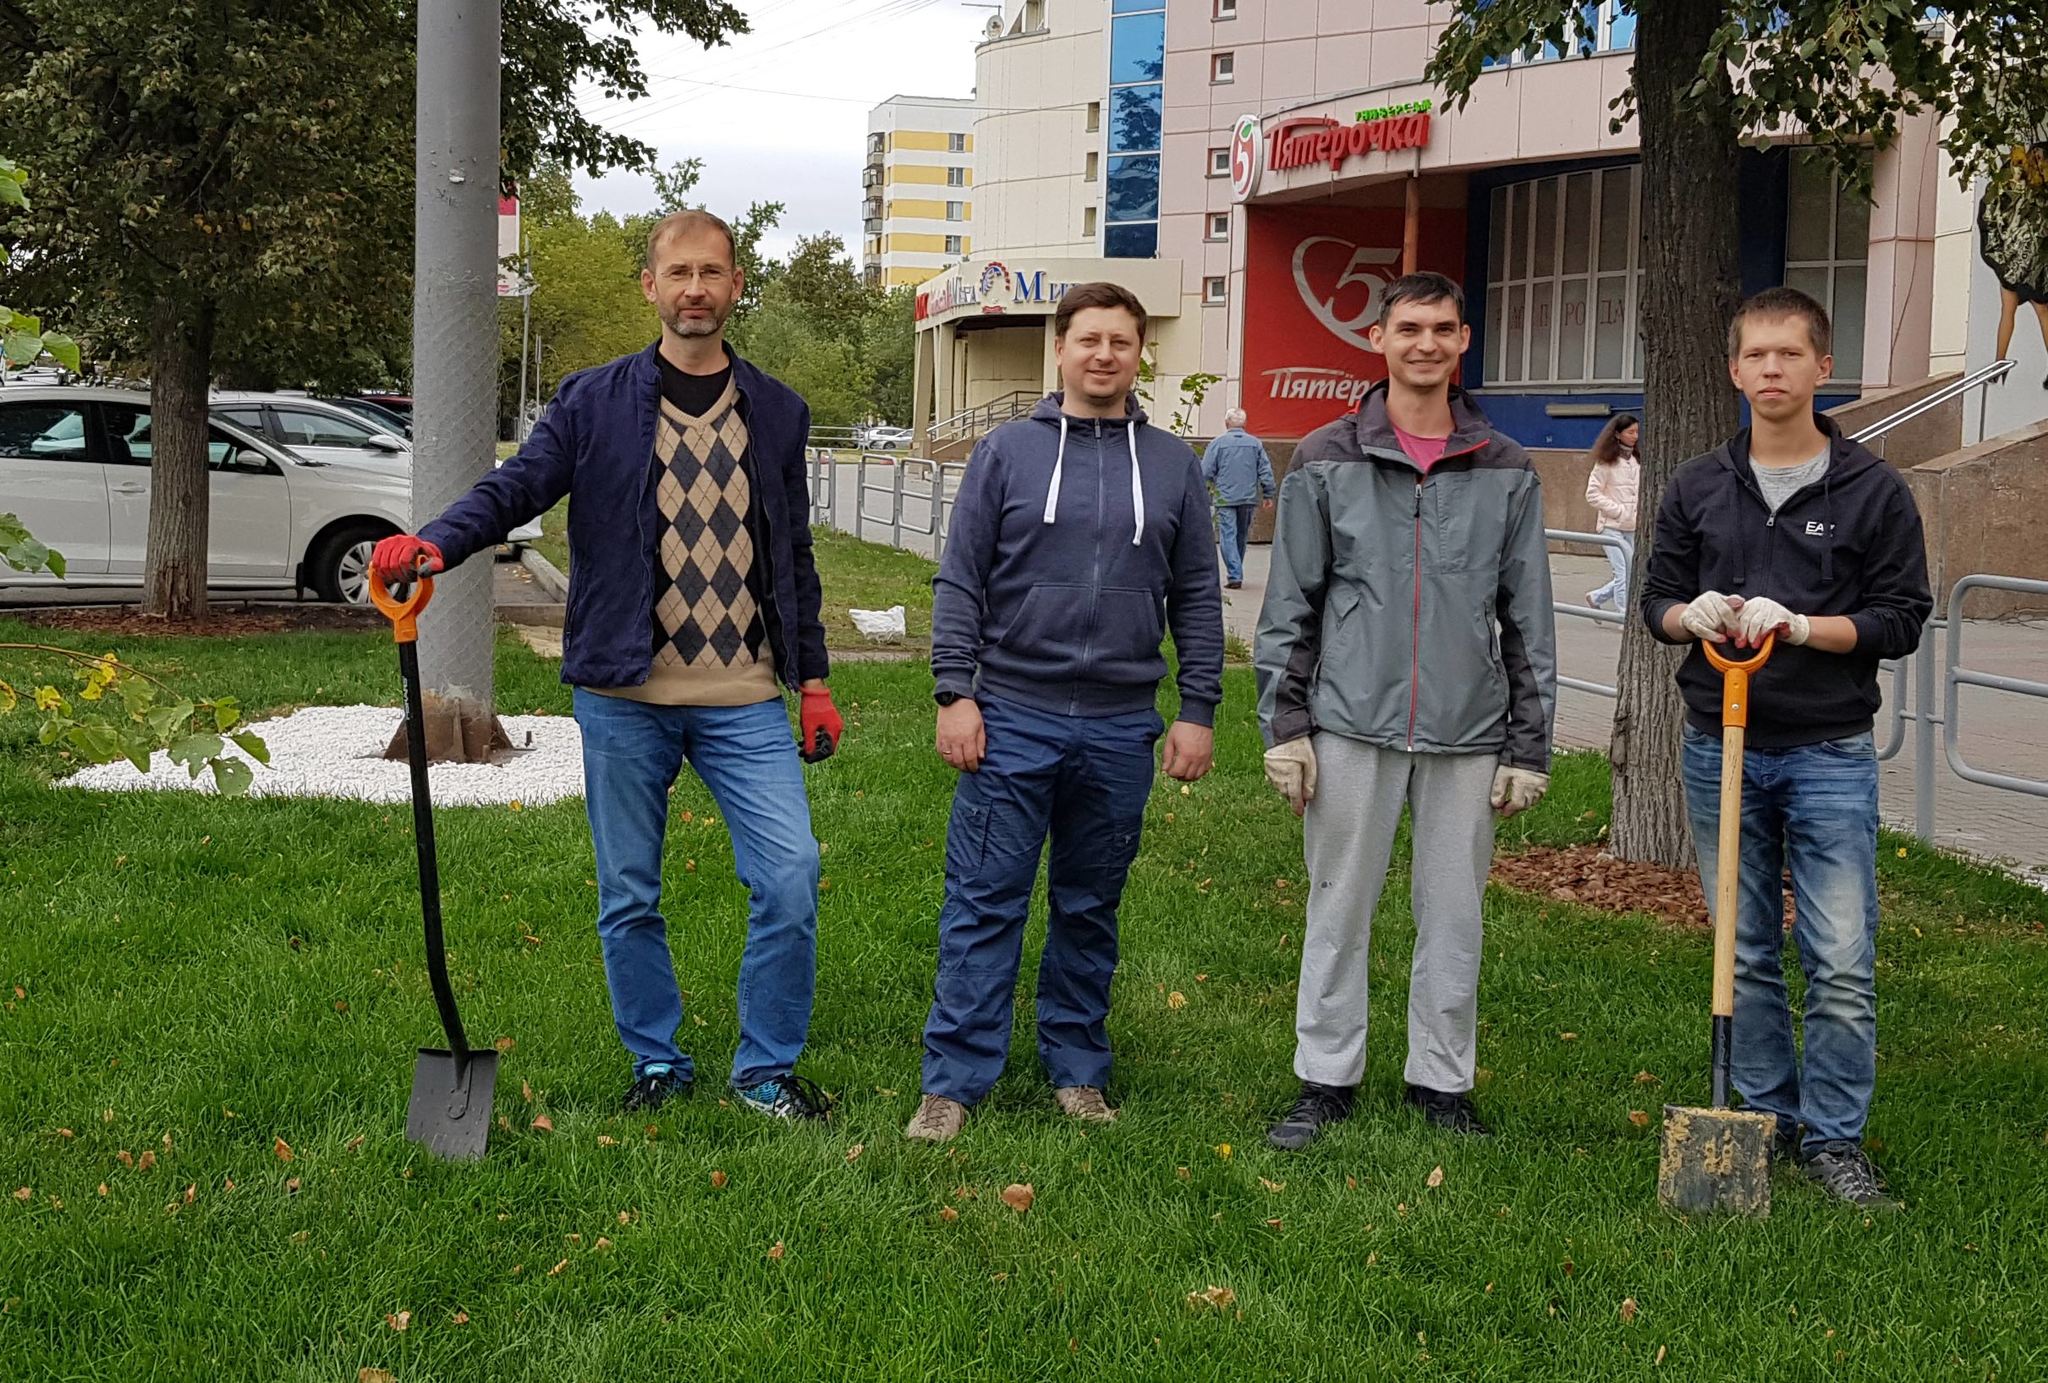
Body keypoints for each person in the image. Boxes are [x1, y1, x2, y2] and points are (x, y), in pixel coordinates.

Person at [368, 209, 844, 1122]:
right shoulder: (593, 400)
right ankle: (657, 1063)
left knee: (790, 873)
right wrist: (435, 543)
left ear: (736, 285)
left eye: (712, 272)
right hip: (624, 694)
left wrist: (813, 679)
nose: (696, 289)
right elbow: (516, 488)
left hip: (744, 696)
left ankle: (765, 1071)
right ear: (651, 287)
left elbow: (796, 556)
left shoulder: (776, 410)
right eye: (679, 273)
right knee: (630, 890)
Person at [903, 281, 1226, 1144]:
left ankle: (1077, 1068)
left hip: (1120, 725)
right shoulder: (1007, 452)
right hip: (1011, 712)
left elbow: (1196, 593)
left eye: (1121, 341)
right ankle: (953, 1082)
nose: (1104, 354)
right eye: (1089, 339)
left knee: (1090, 904)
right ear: (1061, 347)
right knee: (984, 899)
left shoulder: (1171, 465)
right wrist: (955, 692)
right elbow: (961, 578)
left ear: (1138, 353)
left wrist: (1197, 706)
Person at [1641, 285, 1931, 1207]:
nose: (1771, 370)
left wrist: (1805, 627)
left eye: (1788, 354)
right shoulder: (1695, 485)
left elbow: (1902, 618)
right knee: (1745, 943)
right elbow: (1656, 601)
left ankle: (1836, 1139)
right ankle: (1764, 1117)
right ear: (1733, 370)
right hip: (1716, 740)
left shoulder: (1875, 490)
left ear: (1822, 366)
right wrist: (1694, 616)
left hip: (1827, 748)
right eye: (1755, 356)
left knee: (1841, 951)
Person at [1254, 271, 1556, 1150]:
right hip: (1348, 722)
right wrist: (1287, 726)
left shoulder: (1505, 467)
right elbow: (1291, 606)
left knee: (1455, 912)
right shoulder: (1324, 458)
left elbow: (1528, 614)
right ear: (1379, 341)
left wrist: (1527, 746)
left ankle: (1441, 1081)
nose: (1425, 343)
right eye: (1409, 328)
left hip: (1470, 730)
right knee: (1339, 905)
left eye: (1443, 328)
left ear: (1465, 342)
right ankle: (1325, 1077)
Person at [1201, 407, 1278, 589]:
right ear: (1245, 423)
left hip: (1225, 497)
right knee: (1241, 535)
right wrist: (1268, 493)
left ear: (1226, 423)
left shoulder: (1218, 443)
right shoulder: (1255, 444)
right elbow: (1265, 470)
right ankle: (1237, 570)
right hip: (1248, 497)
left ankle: (1235, 574)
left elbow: (1205, 471)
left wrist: (1205, 490)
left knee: (1228, 535)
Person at [1583, 412, 1640, 613]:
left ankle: (1597, 596)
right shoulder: (1606, 462)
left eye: (1637, 432)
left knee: (1632, 573)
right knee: (1623, 572)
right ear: (1618, 434)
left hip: (1632, 526)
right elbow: (1592, 494)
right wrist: (1619, 511)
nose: (1635, 436)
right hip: (1611, 526)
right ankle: (1623, 616)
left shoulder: (1636, 460)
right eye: (1630, 432)